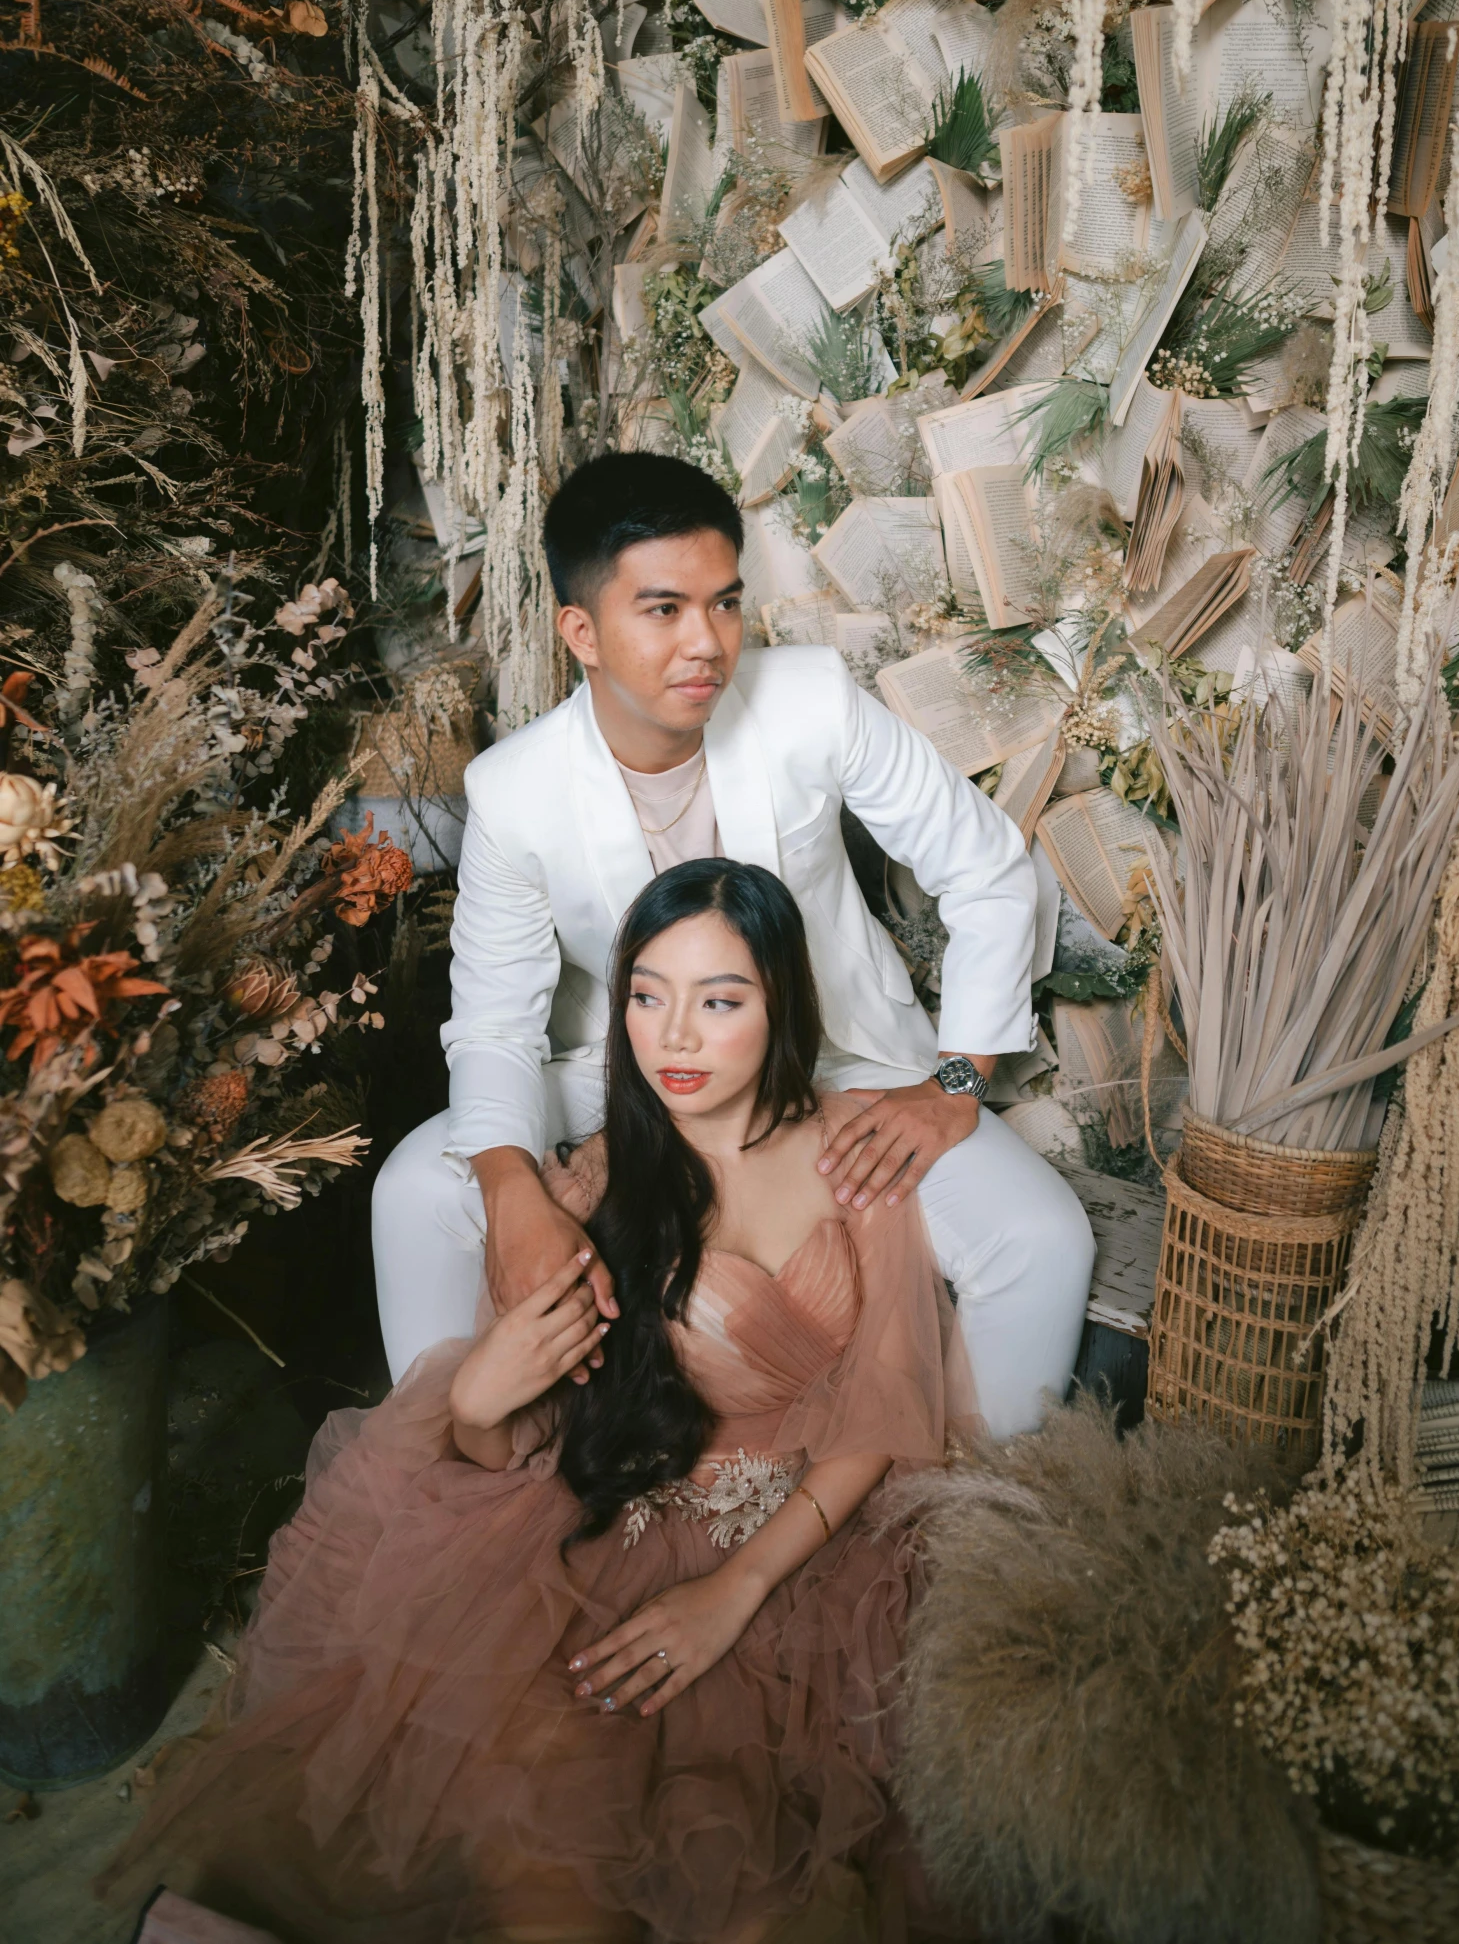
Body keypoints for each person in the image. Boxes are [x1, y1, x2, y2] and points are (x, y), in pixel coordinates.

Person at [102, 862, 979, 1943]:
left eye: (721, 999)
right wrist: (478, 1395)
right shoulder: (591, 1191)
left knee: (755, 1877)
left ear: (782, 1002)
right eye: (647, 995)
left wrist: (736, 1590)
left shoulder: (854, 1150)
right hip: (601, 1545)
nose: (678, 1038)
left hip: (813, 1566)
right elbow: (507, 1443)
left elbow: (884, 1413)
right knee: (545, 1849)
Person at [373, 451, 1094, 1438]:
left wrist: (955, 1084)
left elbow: (989, 868)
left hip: (835, 1055)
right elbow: (493, 1020)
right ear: (579, 630)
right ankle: (453, 1458)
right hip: (631, 1062)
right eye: (664, 609)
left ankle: (978, 1538)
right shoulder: (515, 789)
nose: (706, 643)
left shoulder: (811, 700)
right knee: (420, 1187)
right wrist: (512, 1191)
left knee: (1042, 1239)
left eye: (724, 603)